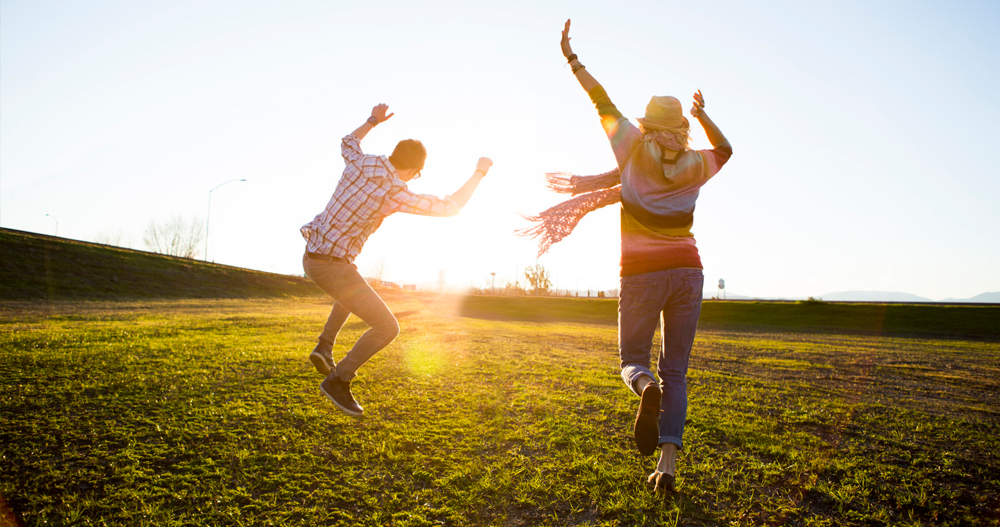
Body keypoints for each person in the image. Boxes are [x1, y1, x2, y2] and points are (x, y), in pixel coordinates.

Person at [520, 20, 732, 493]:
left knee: (632, 359)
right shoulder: (697, 161)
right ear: (679, 125)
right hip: (689, 272)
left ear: (647, 122)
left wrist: (571, 58)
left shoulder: (632, 145)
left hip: (641, 273)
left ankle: (644, 388)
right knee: (676, 370)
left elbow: (601, 100)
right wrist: (701, 117)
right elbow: (726, 149)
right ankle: (668, 467)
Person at [301, 103, 493, 416]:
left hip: (313, 256)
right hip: (331, 265)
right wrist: (479, 172)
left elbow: (347, 141)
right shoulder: (394, 190)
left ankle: (325, 344)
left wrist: (373, 120)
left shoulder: (359, 162)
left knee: (353, 290)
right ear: (413, 170)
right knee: (387, 327)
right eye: (416, 176)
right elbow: (449, 206)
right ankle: (338, 380)